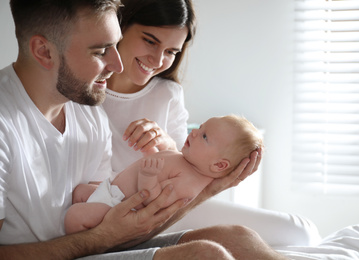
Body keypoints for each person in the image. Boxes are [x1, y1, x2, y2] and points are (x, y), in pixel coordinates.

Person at [0, 0, 288, 259]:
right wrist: (103, 237)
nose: (117, 63)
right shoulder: (6, 123)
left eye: (115, 44)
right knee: (207, 255)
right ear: (43, 51)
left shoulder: (88, 113)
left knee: (240, 238)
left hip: (93, 246)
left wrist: (211, 186)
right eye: (101, 51)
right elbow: (103, 236)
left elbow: (116, 219)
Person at [65, 115, 264, 234]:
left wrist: (147, 175)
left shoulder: (190, 183)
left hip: (116, 209)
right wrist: (149, 154)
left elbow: (153, 200)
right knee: (81, 191)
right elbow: (160, 164)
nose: (194, 132)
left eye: (204, 136)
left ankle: (89, 251)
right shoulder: (185, 160)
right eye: (200, 127)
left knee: (75, 216)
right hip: (108, 190)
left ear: (219, 165)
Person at [102, 0, 196, 172]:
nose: (158, 61)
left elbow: (184, 171)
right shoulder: (82, 88)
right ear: (120, 26)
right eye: (151, 42)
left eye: (170, 52)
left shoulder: (168, 95)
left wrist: (165, 142)